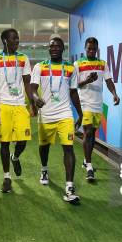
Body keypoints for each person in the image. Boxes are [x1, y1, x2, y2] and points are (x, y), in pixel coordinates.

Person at [30, 37, 82, 204]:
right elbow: (32, 89)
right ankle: (44, 169)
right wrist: (35, 98)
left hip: (65, 114)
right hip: (46, 115)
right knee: (44, 146)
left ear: (63, 49)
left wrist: (80, 114)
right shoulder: (40, 66)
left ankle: (69, 187)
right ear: (49, 49)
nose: (54, 49)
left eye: (57, 46)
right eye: (51, 46)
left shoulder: (70, 68)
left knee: (68, 148)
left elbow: (74, 92)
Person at [75, 37, 120, 182]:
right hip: (85, 103)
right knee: (88, 132)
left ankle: (85, 160)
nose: (91, 51)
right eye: (89, 48)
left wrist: (114, 94)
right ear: (85, 48)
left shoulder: (102, 64)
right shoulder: (78, 64)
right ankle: (89, 166)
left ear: (97, 49)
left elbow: (108, 80)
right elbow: (76, 85)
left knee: (92, 134)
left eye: (94, 49)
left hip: (97, 104)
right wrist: (87, 80)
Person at [0, 29, 35, 193]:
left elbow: (27, 83)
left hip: (20, 105)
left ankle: (16, 157)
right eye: (13, 39)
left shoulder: (23, 58)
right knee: (4, 143)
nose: (17, 41)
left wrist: (32, 102)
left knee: (23, 140)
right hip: (3, 104)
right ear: (5, 40)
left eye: (18, 39)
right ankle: (6, 177)